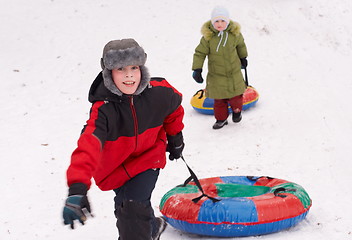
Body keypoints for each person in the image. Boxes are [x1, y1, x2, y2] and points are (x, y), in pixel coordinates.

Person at [62, 38, 185, 240]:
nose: (129, 74)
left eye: (134, 67)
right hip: (115, 167)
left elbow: (174, 111)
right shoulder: (103, 111)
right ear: (109, 72)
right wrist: (77, 187)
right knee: (126, 204)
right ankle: (153, 226)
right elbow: (88, 147)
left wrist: (175, 137)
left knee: (131, 205)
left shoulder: (159, 93)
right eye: (120, 68)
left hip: (148, 158)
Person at [192, 6, 248, 129]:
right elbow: (199, 53)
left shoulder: (235, 35)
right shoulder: (208, 38)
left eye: (223, 21)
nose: (220, 24)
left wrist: (243, 58)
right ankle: (221, 119)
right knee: (219, 101)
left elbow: (241, 46)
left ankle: (237, 111)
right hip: (216, 75)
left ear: (227, 22)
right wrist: (197, 69)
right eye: (216, 21)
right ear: (212, 22)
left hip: (234, 73)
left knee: (236, 96)